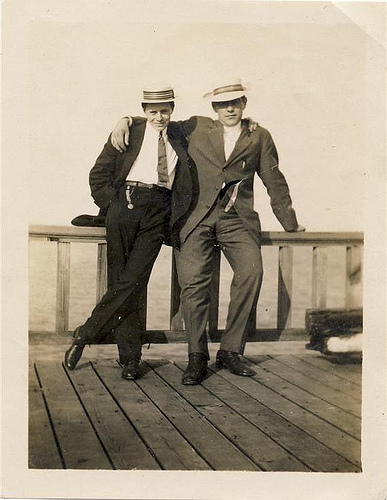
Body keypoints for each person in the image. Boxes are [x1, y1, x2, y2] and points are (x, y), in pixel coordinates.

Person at [111, 77, 305, 385]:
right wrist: (125, 120)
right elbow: (157, 121)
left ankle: (230, 351)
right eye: (222, 104)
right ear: (214, 107)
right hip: (196, 219)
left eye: (235, 102)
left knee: (251, 272)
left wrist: (289, 222)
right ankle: (196, 356)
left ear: (244, 104)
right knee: (193, 286)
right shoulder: (197, 127)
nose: (229, 108)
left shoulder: (260, 136)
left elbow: (274, 179)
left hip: (237, 220)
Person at [64, 85, 193, 380]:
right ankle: (130, 360)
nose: (159, 117)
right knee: (122, 279)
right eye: (153, 111)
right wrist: (114, 206)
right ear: (145, 111)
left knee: (135, 280)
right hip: (126, 205)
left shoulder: (179, 133)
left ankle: (85, 334)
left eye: (165, 110)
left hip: (159, 211)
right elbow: (98, 174)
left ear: (172, 109)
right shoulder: (131, 132)